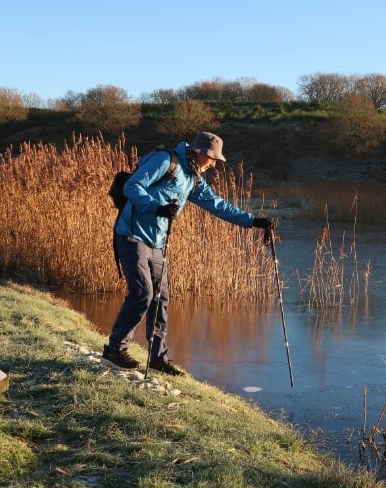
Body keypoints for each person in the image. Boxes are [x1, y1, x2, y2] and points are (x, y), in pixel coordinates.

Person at [102, 131, 274, 375]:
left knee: (160, 299)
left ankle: (158, 358)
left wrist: (254, 221)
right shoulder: (165, 161)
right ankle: (114, 350)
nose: (214, 164)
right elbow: (132, 186)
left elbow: (217, 204)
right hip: (132, 235)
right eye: (213, 159)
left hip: (158, 242)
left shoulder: (193, 178)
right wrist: (157, 207)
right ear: (200, 153)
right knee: (143, 292)